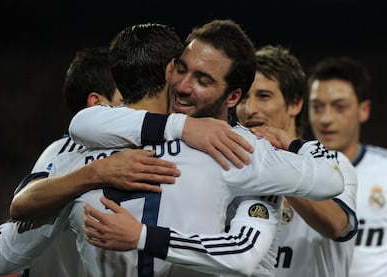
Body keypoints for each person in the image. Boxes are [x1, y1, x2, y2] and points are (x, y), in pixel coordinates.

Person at [36, 20, 351, 276]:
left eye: (203, 80)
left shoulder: (243, 152)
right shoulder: (154, 127)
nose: (183, 86)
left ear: (231, 97)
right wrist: (183, 127)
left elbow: (330, 182)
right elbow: (83, 123)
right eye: (182, 70)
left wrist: (296, 146)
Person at [0, 46, 181, 276]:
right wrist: (95, 172)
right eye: (123, 99)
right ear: (96, 104)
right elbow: (9, 234)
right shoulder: (64, 152)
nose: (132, 111)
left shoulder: (132, 153)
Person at [235, 45, 358, 277]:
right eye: (243, 98)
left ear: (295, 104)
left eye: (263, 96)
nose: (249, 109)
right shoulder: (235, 167)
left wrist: (279, 166)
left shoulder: (334, 164)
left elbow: (337, 225)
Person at [307, 56, 387, 277]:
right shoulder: (294, 174)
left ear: (364, 110)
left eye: (339, 107)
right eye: (317, 107)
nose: (326, 119)